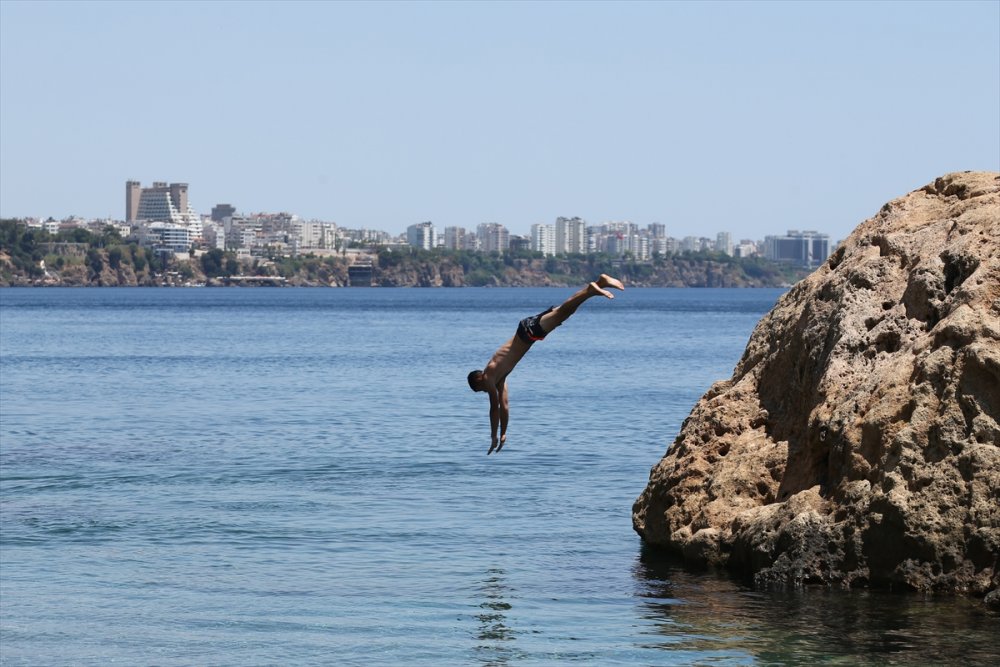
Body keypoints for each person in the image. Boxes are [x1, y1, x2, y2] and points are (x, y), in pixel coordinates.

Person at [467, 274, 625, 454]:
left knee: (561, 313)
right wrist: (504, 433)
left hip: (527, 332)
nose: (486, 391)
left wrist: (493, 436)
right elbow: (505, 405)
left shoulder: (489, 375)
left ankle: (592, 289)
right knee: (565, 312)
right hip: (528, 331)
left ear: (478, 380)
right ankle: (599, 284)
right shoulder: (499, 378)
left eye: (481, 390)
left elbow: (494, 408)